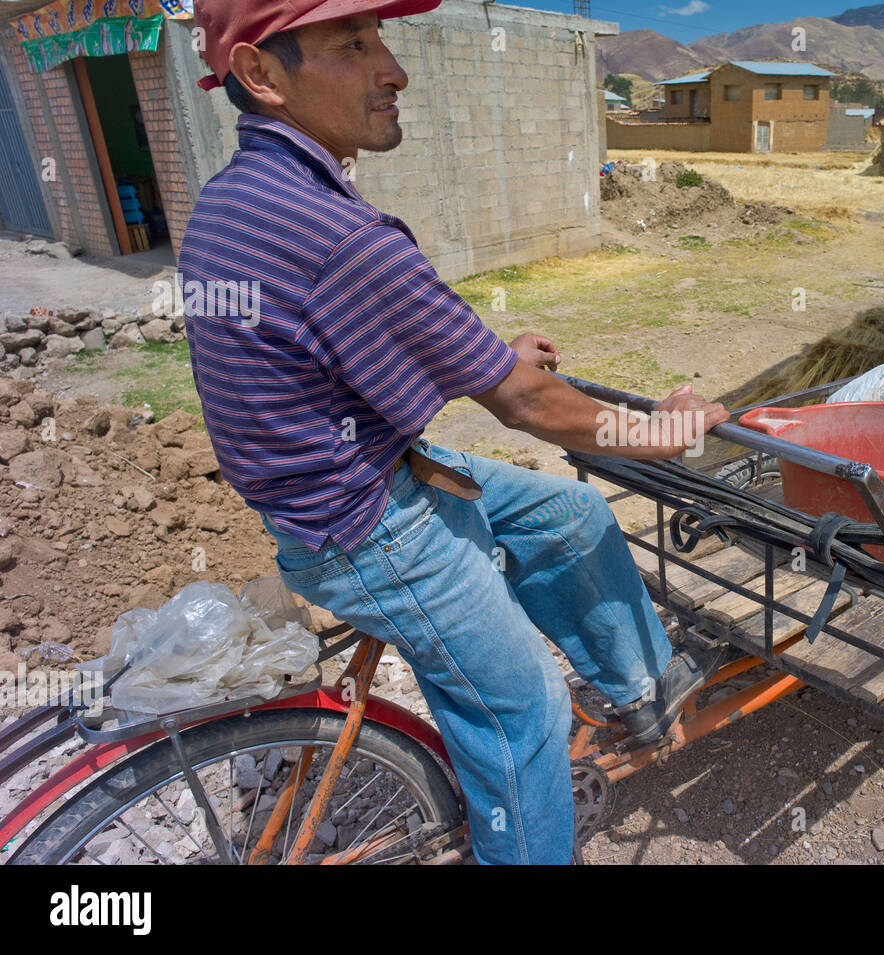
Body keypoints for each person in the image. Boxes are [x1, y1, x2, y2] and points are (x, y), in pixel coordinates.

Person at [182, 0, 730, 864]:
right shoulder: (340, 235)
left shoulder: (238, 201)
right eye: (354, 45)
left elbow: (335, 358)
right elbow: (533, 407)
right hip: (368, 523)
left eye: (382, 42)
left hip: (341, 481)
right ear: (260, 75)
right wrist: (666, 430)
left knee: (573, 519)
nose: (393, 69)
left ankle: (644, 688)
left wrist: (489, 357)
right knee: (523, 711)